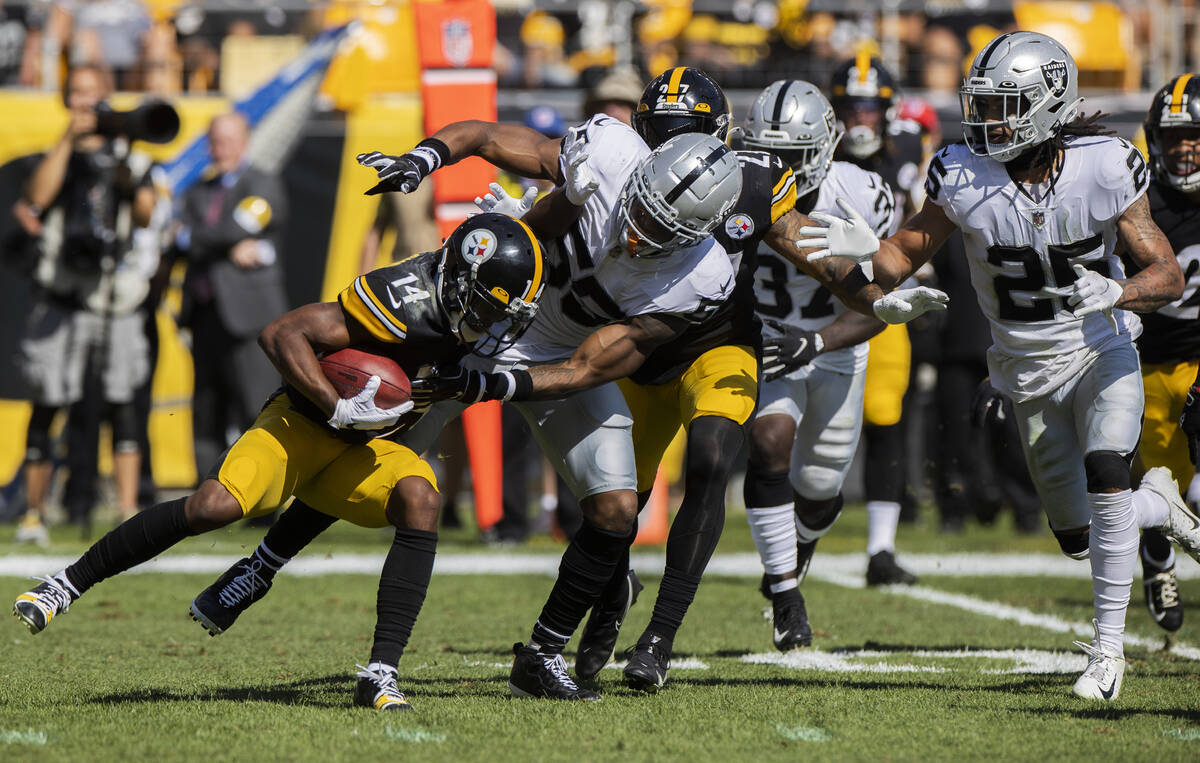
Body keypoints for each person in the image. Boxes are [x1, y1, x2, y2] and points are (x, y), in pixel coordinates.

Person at [188, 119, 746, 702]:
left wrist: (495, 384)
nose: (638, 231)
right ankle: (260, 567)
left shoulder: (700, 277)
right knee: (370, 434)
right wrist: (423, 161)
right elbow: (482, 136)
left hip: (560, 357)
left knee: (615, 510)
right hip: (482, 314)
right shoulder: (609, 155)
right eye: (643, 208)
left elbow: (588, 369)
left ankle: (543, 652)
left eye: (662, 228)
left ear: (699, 234)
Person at [800, 31, 1200, 701]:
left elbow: (1166, 274)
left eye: (1004, 105)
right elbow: (895, 260)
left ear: (1047, 105)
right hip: (1025, 369)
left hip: (1101, 346)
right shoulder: (962, 173)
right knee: (1078, 535)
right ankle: (1158, 502)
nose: (989, 120)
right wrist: (850, 264)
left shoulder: (1104, 164)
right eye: (983, 105)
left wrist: (1117, 290)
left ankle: (1106, 655)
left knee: (1106, 471)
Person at [13, 213, 547, 713]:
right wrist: (336, 405)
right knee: (212, 506)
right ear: (457, 282)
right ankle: (65, 583)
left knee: (420, 498)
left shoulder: (482, 319)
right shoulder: (401, 298)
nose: (493, 323)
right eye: (485, 306)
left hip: (364, 448)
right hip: (303, 424)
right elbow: (282, 333)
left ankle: (380, 673)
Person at [739, 80, 895, 651]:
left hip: (838, 347)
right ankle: (786, 594)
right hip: (770, 345)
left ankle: (799, 543)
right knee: (769, 441)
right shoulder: (732, 186)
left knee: (822, 487)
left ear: (825, 148)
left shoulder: (862, 194)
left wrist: (819, 341)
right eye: (770, 154)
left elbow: (885, 306)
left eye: (793, 157)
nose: (780, 168)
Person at [16, 63, 157, 543]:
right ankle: (34, 515)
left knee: (122, 401)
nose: (83, 103)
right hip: (61, 296)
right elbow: (36, 198)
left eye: (91, 95)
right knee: (49, 399)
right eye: (75, 94)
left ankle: (126, 513)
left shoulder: (127, 157)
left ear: (106, 98)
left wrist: (122, 158)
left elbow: (144, 214)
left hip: (112, 299)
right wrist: (66, 140)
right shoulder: (53, 154)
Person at [829, 51, 926, 584]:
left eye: (870, 107)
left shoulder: (906, 150)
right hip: (826, 303)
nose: (861, 117)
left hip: (886, 302)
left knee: (885, 419)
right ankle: (795, 540)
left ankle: (881, 550)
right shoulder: (818, 150)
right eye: (851, 106)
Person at [174, 111, 289, 483]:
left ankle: (264, 497)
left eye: (226, 140)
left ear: (244, 142)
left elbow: (233, 228)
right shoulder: (198, 191)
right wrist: (221, 243)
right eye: (214, 140)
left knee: (256, 407)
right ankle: (208, 495)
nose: (218, 148)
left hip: (249, 317)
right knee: (207, 411)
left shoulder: (263, 184)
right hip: (205, 313)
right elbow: (216, 236)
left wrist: (192, 237)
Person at [1126, 72, 1200, 632]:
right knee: (1159, 481)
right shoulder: (1139, 201)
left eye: (1194, 136)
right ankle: (1157, 561)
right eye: (1172, 138)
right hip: (1149, 358)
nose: (1183, 148)